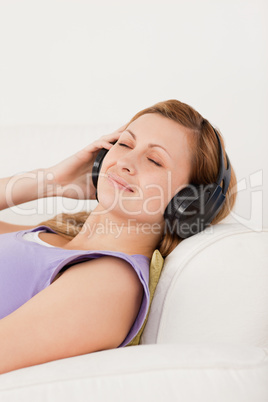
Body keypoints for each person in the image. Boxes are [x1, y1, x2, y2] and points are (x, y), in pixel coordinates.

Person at [0, 99, 237, 374]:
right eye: (124, 144)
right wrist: (52, 181)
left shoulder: (111, 281)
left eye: (154, 160)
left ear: (188, 204)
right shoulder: (52, 236)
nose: (124, 161)